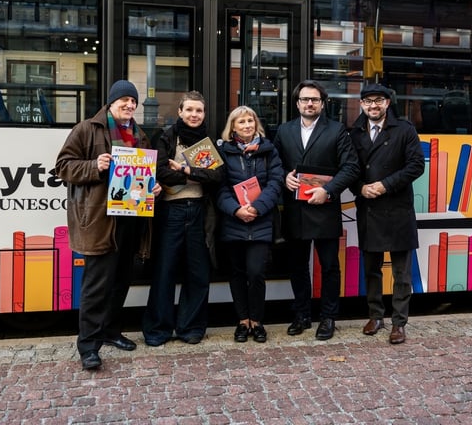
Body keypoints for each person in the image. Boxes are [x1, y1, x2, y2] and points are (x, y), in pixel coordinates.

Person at [55, 80, 161, 371]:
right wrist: (94, 165)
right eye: (124, 100)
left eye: (133, 102)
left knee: (120, 281)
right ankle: (88, 346)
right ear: (111, 102)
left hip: (131, 219)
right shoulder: (88, 129)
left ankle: (111, 332)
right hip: (101, 221)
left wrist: (153, 188)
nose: (129, 106)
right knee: (96, 286)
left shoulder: (139, 135)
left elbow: (142, 178)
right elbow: (62, 167)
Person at [273, 80, 359, 341]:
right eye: (304, 99)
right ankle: (301, 315)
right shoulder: (284, 130)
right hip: (295, 210)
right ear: (297, 103)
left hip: (324, 209)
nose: (309, 103)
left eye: (315, 100)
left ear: (323, 103)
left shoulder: (337, 131)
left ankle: (328, 318)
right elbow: (274, 164)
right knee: (298, 266)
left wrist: (329, 190)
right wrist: (283, 179)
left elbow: (351, 167)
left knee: (330, 266)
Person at [142, 91, 224, 346]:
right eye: (189, 110)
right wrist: (196, 175)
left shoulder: (208, 141)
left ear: (204, 114)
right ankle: (158, 330)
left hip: (200, 211)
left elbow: (218, 176)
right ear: (180, 111)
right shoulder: (167, 137)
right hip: (171, 212)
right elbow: (160, 172)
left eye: (199, 111)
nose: (194, 115)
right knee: (164, 272)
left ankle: (191, 328)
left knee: (197, 273)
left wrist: (187, 170)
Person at [348, 83, 424, 345]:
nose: (373, 106)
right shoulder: (354, 133)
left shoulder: (404, 129)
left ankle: (399, 323)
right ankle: (375, 315)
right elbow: (349, 169)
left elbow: (416, 166)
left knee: (402, 273)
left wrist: (385, 185)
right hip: (368, 208)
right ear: (362, 105)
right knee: (372, 269)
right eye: (368, 101)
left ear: (387, 103)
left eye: (378, 100)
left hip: (398, 210)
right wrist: (359, 187)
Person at [215, 106, 284, 343]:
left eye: (250, 121)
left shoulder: (269, 150)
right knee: (236, 273)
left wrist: (257, 208)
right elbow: (219, 187)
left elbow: (276, 183)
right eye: (241, 122)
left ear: (256, 124)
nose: (247, 125)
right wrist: (236, 210)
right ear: (232, 127)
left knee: (256, 273)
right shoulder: (223, 152)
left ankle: (257, 320)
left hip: (261, 221)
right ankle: (242, 321)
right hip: (234, 221)